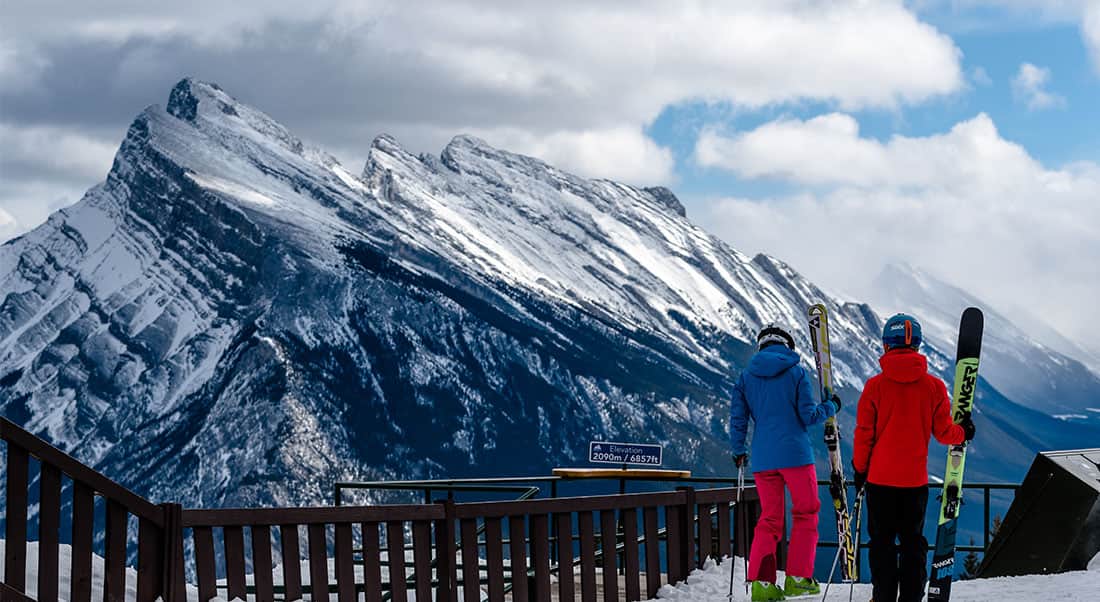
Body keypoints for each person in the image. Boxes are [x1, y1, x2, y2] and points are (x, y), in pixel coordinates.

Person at [851, 314, 976, 602]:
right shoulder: (933, 387)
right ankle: (911, 596)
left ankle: (883, 596)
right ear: (917, 345)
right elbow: (945, 433)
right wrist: (964, 431)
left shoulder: (874, 386)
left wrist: (860, 470)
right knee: (913, 543)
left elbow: (863, 435)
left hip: (880, 482)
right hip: (914, 483)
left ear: (886, 345)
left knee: (881, 544)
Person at [731, 325, 841, 601]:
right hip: (796, 456)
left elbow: (738, 419)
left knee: (769, 519)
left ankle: (761, 584)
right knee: (805, 513)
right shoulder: (796, 372)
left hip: (763, 459)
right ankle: (798, 579)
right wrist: (831, 407)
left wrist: (738, 450)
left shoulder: (746, 378)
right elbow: (807, 416)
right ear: (787, 346)